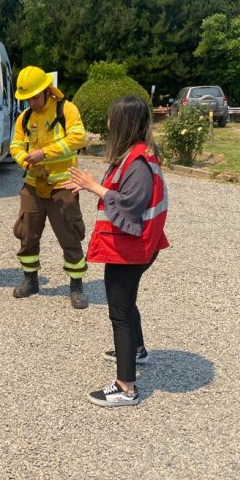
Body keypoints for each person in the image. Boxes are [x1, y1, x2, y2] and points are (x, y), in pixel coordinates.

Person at [62, 96, 169, 407]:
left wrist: (94, 186)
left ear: (122, 123)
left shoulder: (137, 162)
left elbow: (130, 205)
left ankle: (126, 387)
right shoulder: (134, 154)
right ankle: (137, 350)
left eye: (111, 119)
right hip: (134, 245)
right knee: (126, 301)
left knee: (119, 312)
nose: (107, 124)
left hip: (131, 248)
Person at [10, 66, 88, 308]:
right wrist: (25, 159)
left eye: (33, 97)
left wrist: (43, 153)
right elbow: (15, 146)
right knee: (27, 234)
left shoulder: (66, 109)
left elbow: (78, 138)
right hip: (33, 185)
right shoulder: (24, 118)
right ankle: (30, 280)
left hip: (63, 185)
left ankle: (76, 285)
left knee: (70, 236)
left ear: (46, 91)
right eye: (26, 99)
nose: (30, 103)